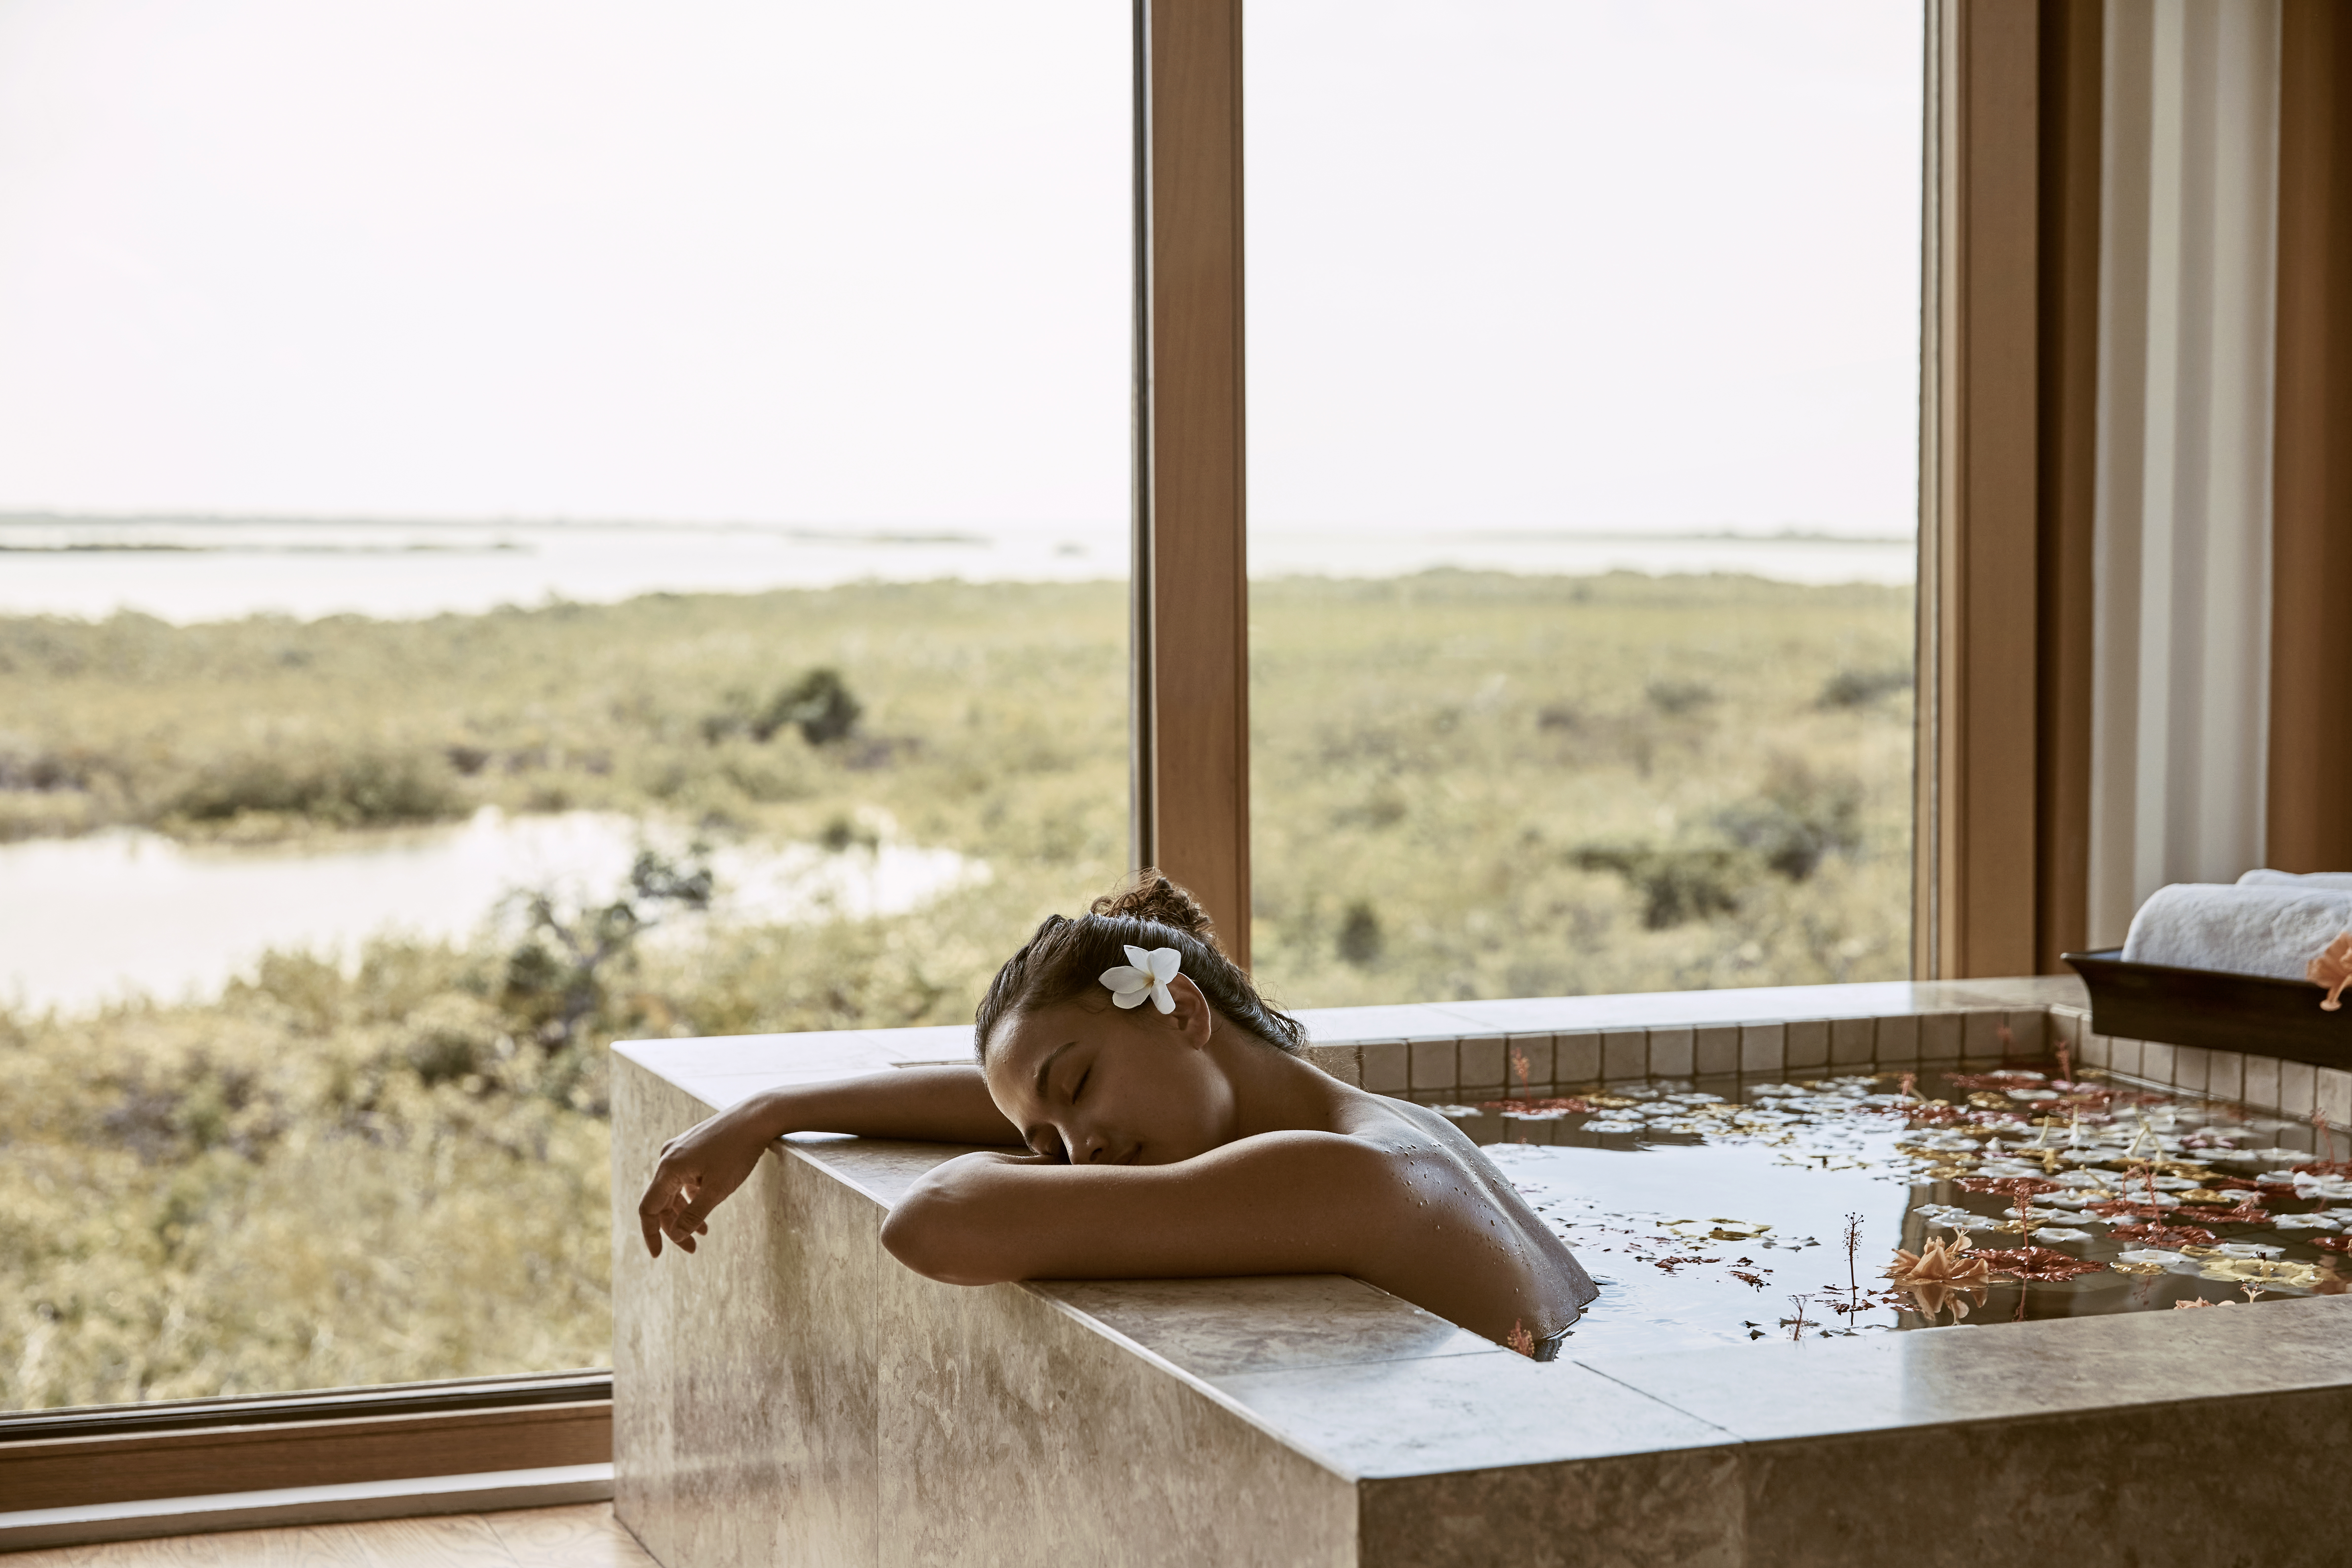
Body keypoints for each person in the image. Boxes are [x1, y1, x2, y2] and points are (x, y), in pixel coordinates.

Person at [635, 872, 1597, 1356]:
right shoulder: (1383, 1127)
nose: (1075, 1153)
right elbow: (1026, 1113)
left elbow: (935, 1226)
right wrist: (771, 1108)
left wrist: (1031, 1161)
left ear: (1181, 1010)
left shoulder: (1343, 1176)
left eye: (1077, 1085)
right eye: (1042, 1142)